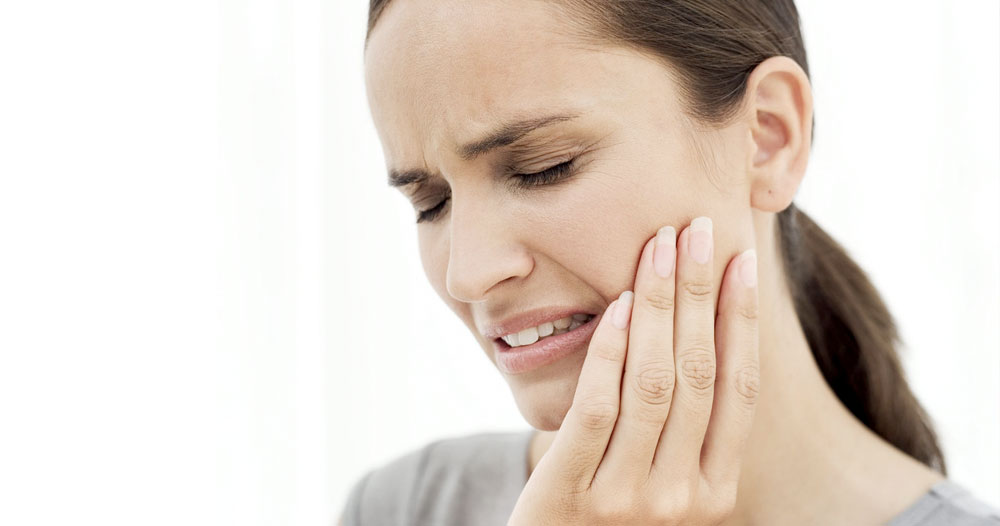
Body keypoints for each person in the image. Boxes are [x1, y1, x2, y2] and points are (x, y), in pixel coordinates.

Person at [341, 0, 1000, 524]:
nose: (468, 274)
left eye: (545, 167)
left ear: (767, 137)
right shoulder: (407, 508)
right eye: (430, 203)